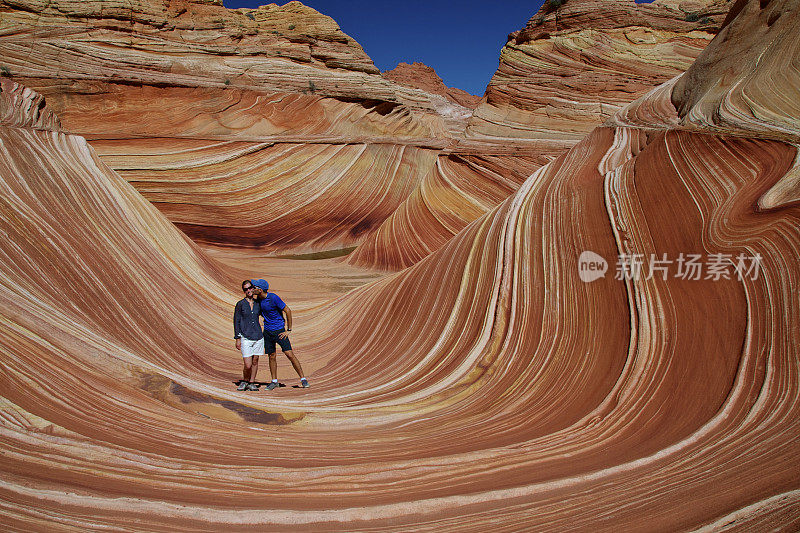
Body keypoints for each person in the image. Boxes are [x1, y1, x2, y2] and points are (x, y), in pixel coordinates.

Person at [250, 278, 309, 390]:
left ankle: (303, 379)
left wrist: (289, 330)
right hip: (267, 331)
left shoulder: (273, 298)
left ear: (260, 289)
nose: (252, 289)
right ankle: (274, 381)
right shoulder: (257, 300)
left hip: (279, 331)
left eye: (254, 287)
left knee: (289, 354)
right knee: (271, 356)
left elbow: (287, 310)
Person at [233, 280, 264, 391]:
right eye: (246, 289)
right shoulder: (240, 304)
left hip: (258, 336)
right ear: (244, 291)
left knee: (255, 361)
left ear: (253, 288)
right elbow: (236, 321)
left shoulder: (258, 303)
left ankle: (251, 382)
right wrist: (237, 338)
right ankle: (245, 381)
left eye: (250, 288)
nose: (248, 290)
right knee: (248, 364)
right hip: (245, 336)